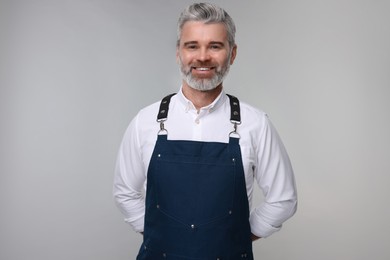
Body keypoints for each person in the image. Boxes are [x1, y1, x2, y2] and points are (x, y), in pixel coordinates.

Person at [113, 3, 297, 259]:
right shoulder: (146, 121)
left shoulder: (255, 123)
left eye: (215, 46)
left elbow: (283, 199)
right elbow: (125, 191)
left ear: (232, 54)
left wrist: (238, 234)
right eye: (192, 46)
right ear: (179, 53)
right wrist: (161, 233)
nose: (202, 56)